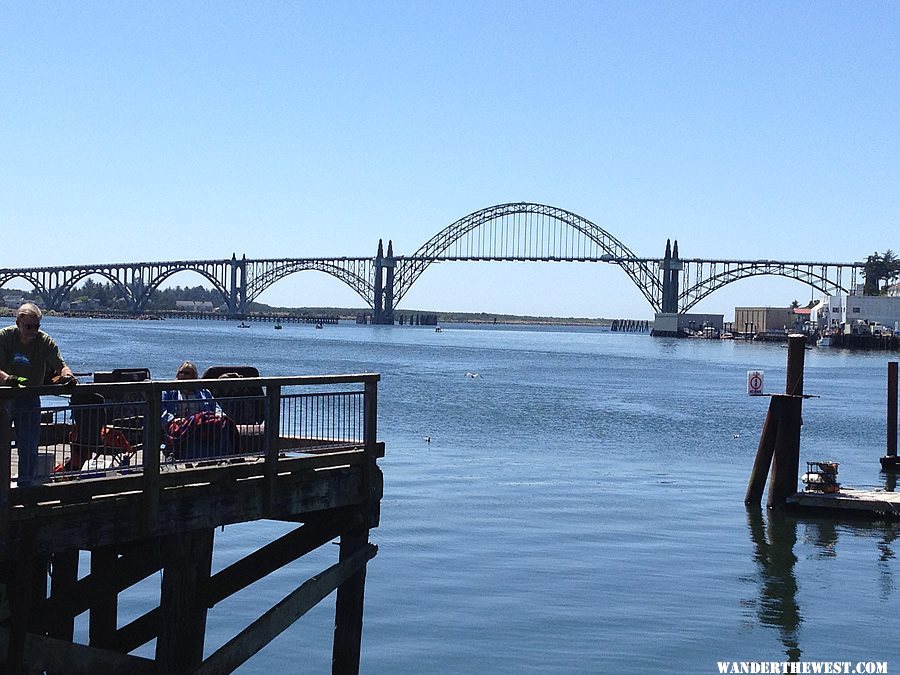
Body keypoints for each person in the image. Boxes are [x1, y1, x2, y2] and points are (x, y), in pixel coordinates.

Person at [0, 303, 77, 487]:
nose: (33, 331)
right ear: (18, 323)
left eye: (36, 326)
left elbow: (61, 364)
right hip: (4, 397)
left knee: (29, 447)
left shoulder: (44, 341)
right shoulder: (4, 337)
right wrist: (7, 379)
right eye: (28, 326)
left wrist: (68, 376)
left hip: (30, 398)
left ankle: (25, 488)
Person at [161, 361, 236, 459]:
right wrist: (171, 420)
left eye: (187, 373)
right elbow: (160, 409)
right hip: (180, 425)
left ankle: (226, 456)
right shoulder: (169, 391)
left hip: (199, 424)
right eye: (181, 372)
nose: (183, 375)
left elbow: (216, 407)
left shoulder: (204, 392)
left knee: (222, 424)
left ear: (194, 376)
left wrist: (221, 416)